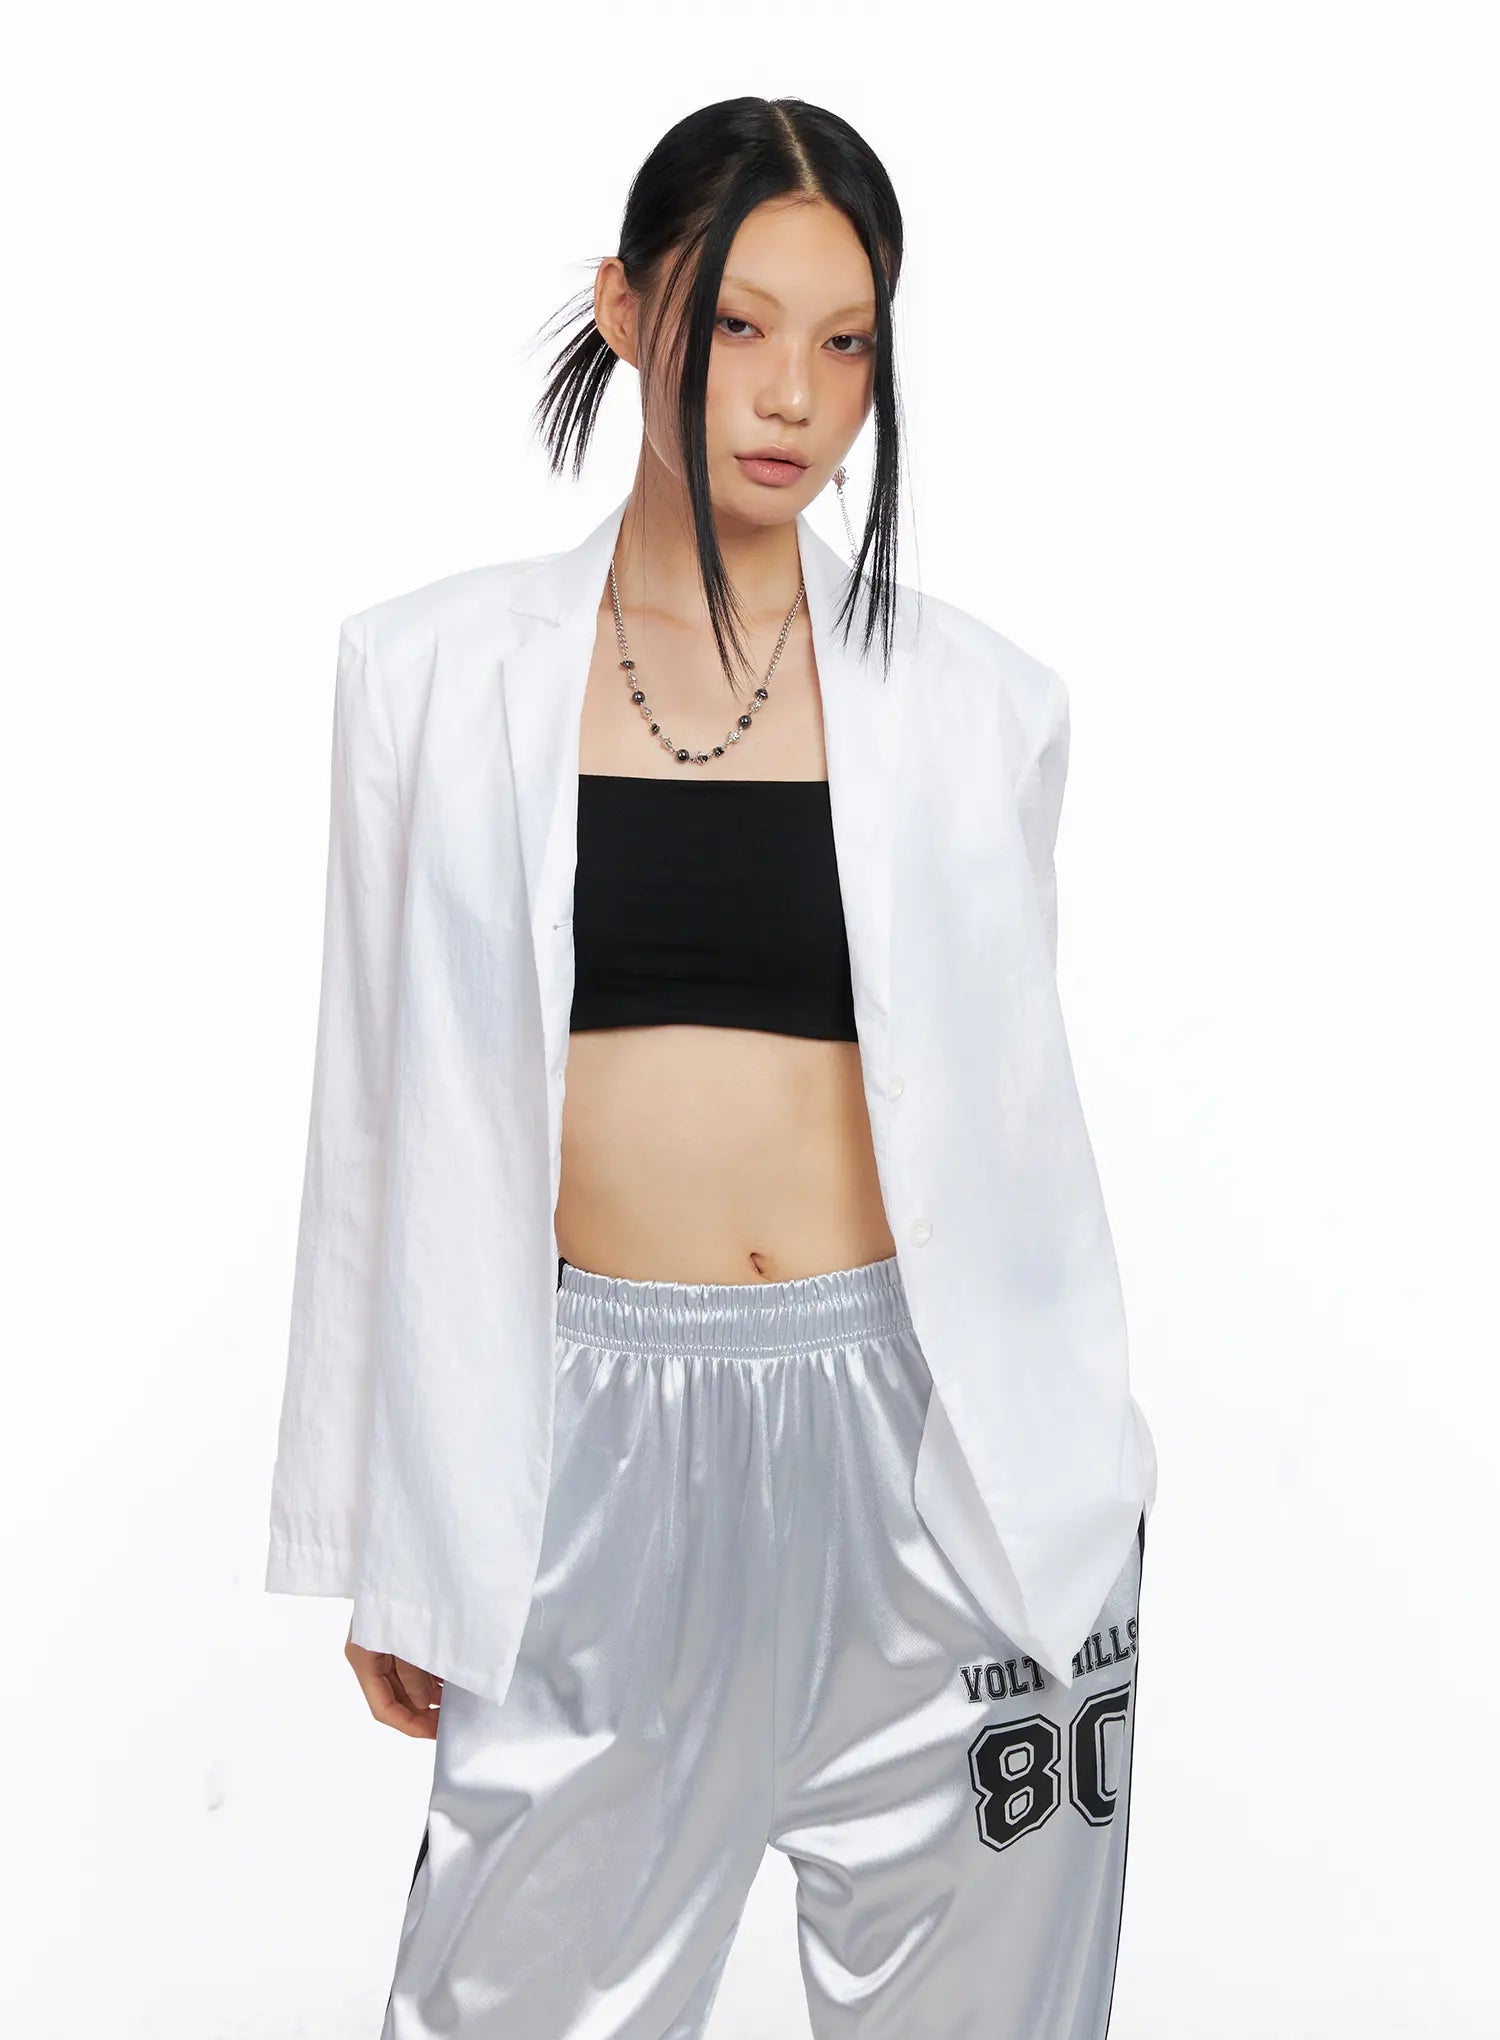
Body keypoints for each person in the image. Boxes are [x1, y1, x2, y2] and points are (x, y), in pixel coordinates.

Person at [265, 94, 1158, 2039]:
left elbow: (1002, 1146)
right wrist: (383, 1534)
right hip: (582, 1445)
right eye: (738, 324)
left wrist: (1087, 1483)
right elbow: (374, 1126)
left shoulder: (986, 704)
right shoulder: (429, 675)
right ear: (625, 308)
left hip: (936, 1459)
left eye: (847, 343)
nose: (794, 394)